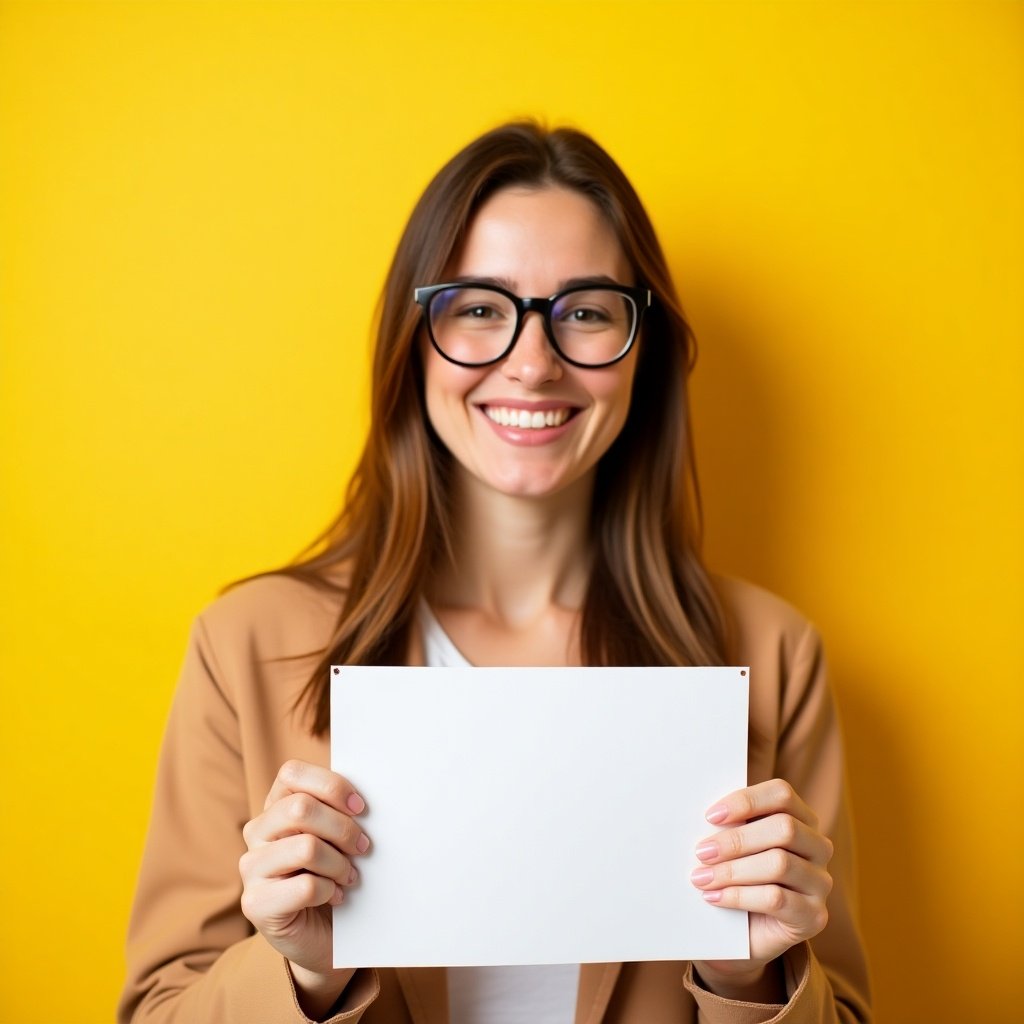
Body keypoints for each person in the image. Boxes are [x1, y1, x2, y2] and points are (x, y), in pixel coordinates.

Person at [119, 121, 872, 1023]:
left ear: (645, 350)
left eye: (587, 310)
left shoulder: (773, 654)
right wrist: (304, 976)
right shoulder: (246, 644)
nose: (531, 361)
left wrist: (752, 979)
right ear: (416, 339)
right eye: (479, 307)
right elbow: (157, 1010)